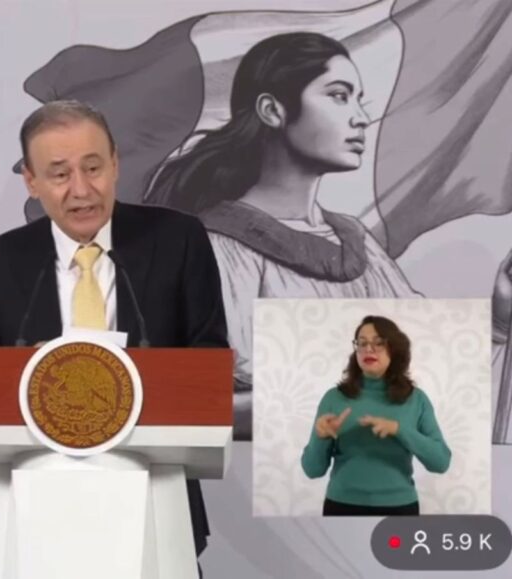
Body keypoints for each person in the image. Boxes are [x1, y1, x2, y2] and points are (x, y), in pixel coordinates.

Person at [142, 31, 512, 442]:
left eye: (358, 99)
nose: (360, 117)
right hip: (264, 475)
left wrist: (499, 318)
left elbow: (423, 356)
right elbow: (186, 401)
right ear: (272, 110)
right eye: (338, 96)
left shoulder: (357, 243)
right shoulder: (217, 246)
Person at [0, 99, 228, 573]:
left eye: (93, 167)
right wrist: (33, 379)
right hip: (37, 516)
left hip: (158, 505)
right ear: (31, 181)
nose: (81, 189)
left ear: (116, 164)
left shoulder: (178, 240)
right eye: (60, 174)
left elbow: (208, 366)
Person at [300, 315, 451, 516]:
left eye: (378, 343)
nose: (368, 349)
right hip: (341, 506)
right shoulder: (334, 398)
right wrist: (321, 438)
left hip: (400, 509)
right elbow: (312, 471)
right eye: (362, 343)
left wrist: (399, 429)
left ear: (394, 349)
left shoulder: (416, 399)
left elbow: (441, 462)